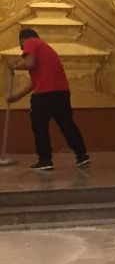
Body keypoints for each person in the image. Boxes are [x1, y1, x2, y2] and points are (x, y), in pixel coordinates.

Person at [6, 27, 90, 172]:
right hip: (61, 92)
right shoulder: (47, 50)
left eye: (22, 47)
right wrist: (17, 96)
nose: (23, 50)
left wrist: (15, 65)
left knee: (39, 126)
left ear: (23, 40)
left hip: (44, 95)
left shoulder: (31, 42)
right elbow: (36, 81)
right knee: (67, 124)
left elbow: (29, 63)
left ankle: (45, 159)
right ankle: (82, 155)